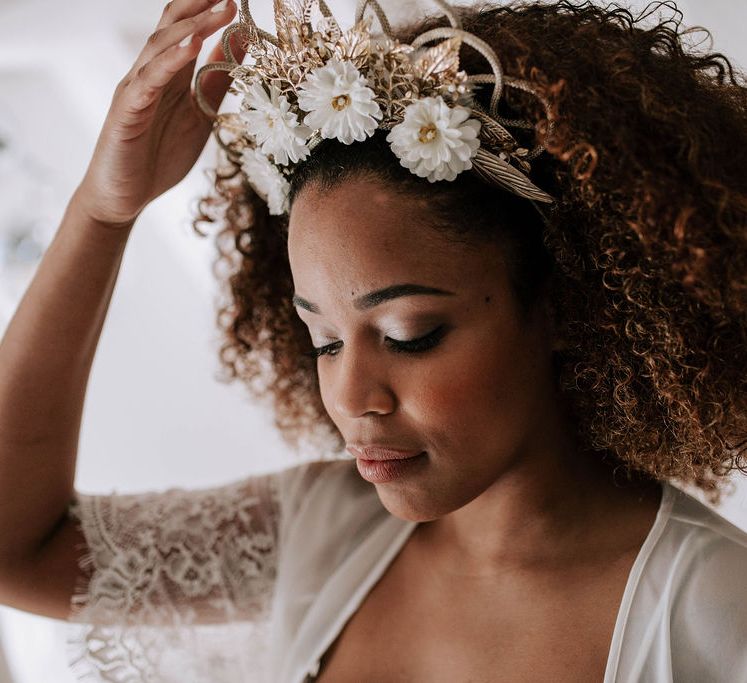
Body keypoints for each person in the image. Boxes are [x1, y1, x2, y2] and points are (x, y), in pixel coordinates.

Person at [0, 0, 746, 681]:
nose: (350, 397)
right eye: (323, 340)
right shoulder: (321, 531)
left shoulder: (713, 611)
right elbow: (16, 547)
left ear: (563, 308)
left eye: (408, 334)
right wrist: (102, 213)